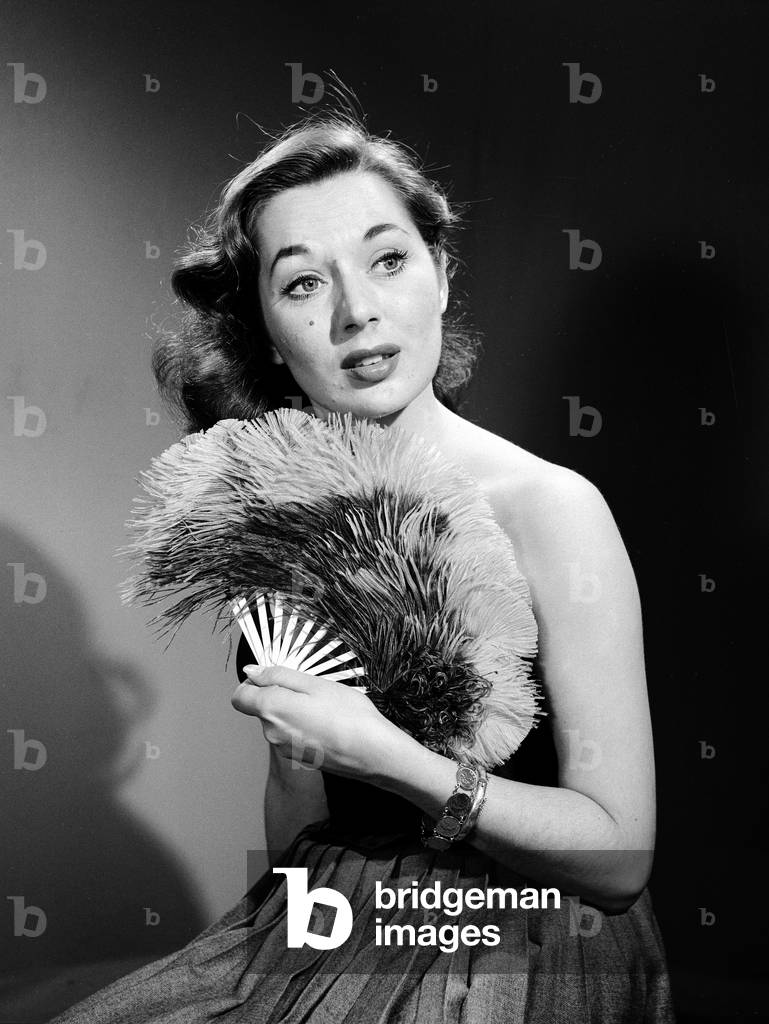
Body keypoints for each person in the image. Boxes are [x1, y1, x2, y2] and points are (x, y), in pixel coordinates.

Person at [49, 106, 676, 1023]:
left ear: (440, 273)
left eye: (388, 260)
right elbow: (304, 829)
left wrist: (388, 758)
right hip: (337, 918)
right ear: (264, 329)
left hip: (528, 932)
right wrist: (301, 760)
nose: (357, 312)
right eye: (303, 284)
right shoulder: (274, 515)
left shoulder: (551, 509)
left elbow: (620, 857)